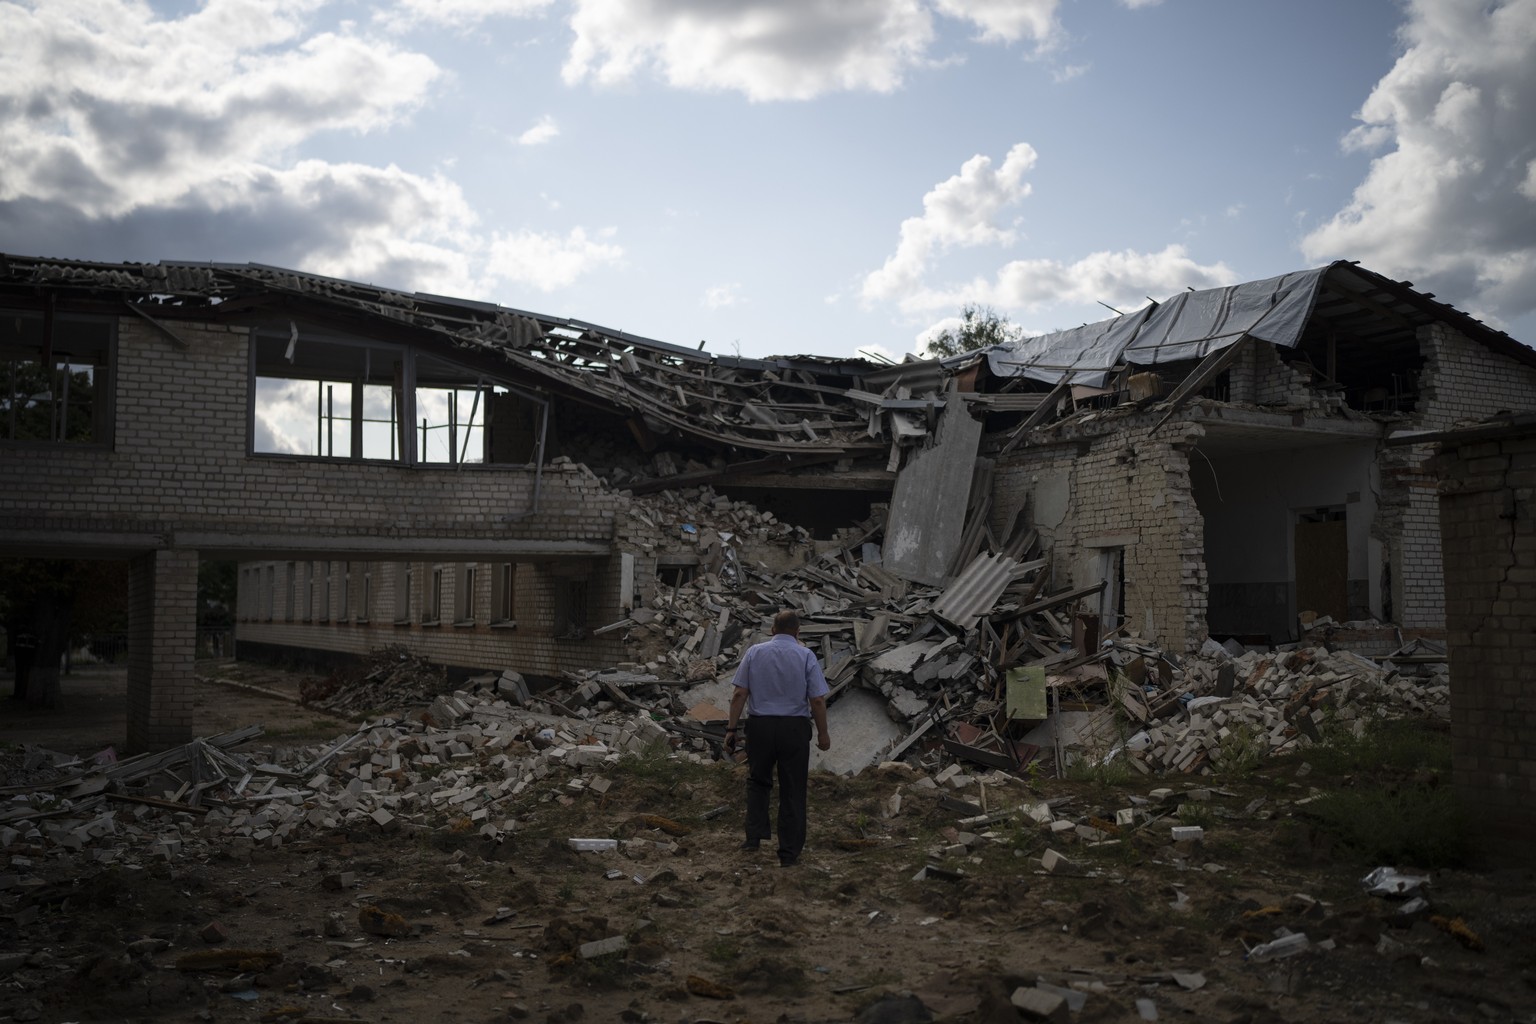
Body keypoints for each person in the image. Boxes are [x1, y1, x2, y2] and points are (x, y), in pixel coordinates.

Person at [725, 610, 830, 867]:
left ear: (772, 629)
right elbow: (816, 699)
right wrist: (823, 733)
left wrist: (730, 729)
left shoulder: (754, 652)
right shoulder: (806, 655)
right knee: (793, 789)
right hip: (793, 730)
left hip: (760, 727)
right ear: (798, 632)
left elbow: (740, 694)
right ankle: (788, 853)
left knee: (757, 781)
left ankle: (753, 838)